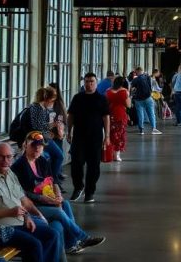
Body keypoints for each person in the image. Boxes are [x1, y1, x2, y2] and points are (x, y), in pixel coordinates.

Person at [12, 132, 104, 254]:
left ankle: (70, 245)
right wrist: (46, 200)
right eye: (33, 145)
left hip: (46, 199)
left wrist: (58, 196)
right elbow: (22, 194)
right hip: (31, 205)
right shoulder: (19, 166)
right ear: (25, 145)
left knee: (65, 203)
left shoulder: (42, 161)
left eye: (40, 145)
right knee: (58, 212)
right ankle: (82, 237)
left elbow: (53, 181)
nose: (37, 148)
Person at [0, 142, 62, 262]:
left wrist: (27, 216)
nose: (6, 160)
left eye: (9, 157)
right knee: (34, 245)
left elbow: (22, 200)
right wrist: (10, 212)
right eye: (1, 156)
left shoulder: (9, 173)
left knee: (52, 235)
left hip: (18, 222)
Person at [67, 73, 110, 203]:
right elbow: (71, 115)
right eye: (86, 81)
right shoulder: (77, 98)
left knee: (93, 166)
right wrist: (69, 132)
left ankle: (90, 192)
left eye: (91, 81)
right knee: (76, 163)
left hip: (95, 137)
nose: (89, 84)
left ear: (96, 83)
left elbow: (106, 117)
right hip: (79, 136)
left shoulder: (102, 99)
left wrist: (107, 136)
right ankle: (78, 186)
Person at [27, 87, 65, 186]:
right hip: (40, 138)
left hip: (44, 136)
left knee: (52, 158)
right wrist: (52, 125)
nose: (52, 103)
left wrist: (50, 130)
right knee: (59, 156)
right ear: (47, 99)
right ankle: (53, 180)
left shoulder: (40, 107)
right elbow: (37, 126)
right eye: (52, 100)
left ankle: (52, 179)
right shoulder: (37, 108)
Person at [105, 76, 131, 161]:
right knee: (120, 135)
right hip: (121, 115)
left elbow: (106, 103)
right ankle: (117, 155)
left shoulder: (108, 91)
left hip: (110, 115)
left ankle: (110, 153)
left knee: (111, 134)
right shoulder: (124, 92)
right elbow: (128, 105)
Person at [130, 67, 160, 135]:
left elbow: (132, 89)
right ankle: (154, 129)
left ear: (137, 72)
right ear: (142, 71)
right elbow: (150, 87)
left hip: (138, 99)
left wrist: (132, 96)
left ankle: (141, 130)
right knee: (151, 113)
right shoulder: (147, 77)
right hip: (148, 98)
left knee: (140, 114)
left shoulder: (135, 79)